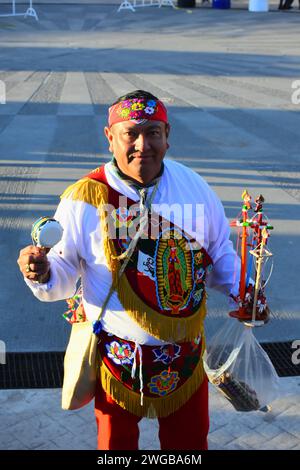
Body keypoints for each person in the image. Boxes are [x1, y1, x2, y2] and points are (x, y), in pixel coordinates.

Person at [17, 89, 241, 451]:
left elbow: (219, 253)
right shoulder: (84, 198)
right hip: (116, 361)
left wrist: (245, 291)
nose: (142, 144)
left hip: (184, 356)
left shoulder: (194, 188)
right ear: (110, 138)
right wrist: (40, 272)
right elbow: (60, 272)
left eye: (153, 132)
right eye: (130, 134)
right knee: (116, 447)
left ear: (167, 136)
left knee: (190, 446)